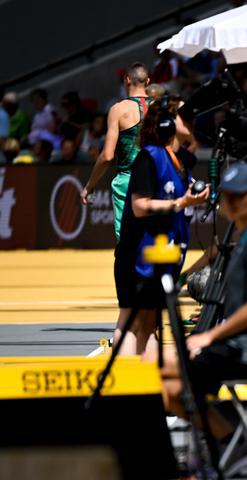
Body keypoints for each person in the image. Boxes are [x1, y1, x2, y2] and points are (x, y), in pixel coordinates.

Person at [152, 163, 247, 466]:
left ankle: (231, 444)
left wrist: (208, 336)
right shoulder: (245, 237)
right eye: (227, 197)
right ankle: (229, 442)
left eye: (239, 196)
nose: (231, 202)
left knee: (165, 368)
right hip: (236, 344)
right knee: (168, 384)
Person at [115, 98, 209, 356]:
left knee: (150, 325)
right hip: (139, 255)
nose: (189, 118)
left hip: (163, 253)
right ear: (167, 123)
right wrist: (182, 202)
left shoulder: (177, 159)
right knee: (132, 325)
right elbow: (139, 206)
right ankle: (122, 388)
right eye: (182, 114)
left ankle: (144, 387)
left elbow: (191, 147)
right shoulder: (149, 156)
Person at [80, 62, 151, 349]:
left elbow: (108, 154)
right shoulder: (161, 108)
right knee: (154, 244)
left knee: (128, 248)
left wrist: (89, 185)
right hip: (157, 180)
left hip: (128, 181)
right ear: (149, 81)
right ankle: (150, 313)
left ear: (126, 80)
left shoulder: (119, 109)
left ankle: (129, 314)